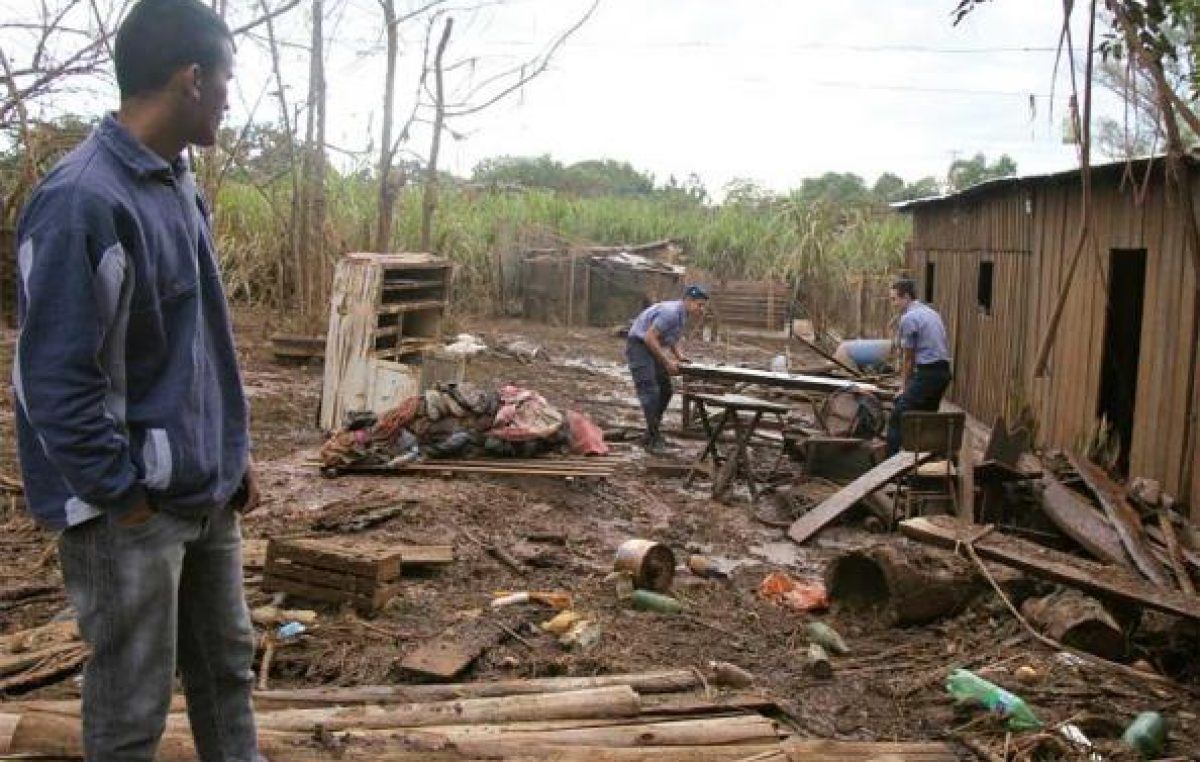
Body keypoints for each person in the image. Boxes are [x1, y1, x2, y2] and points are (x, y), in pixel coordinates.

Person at [12, 1, 263, 759]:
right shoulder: (80, 203)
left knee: (226, 673)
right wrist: (123, 499)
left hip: (203, 496)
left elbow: (194, 341)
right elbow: (53, 383)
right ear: (191, 78)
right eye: (226, 78)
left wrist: (230, 453)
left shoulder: (177, 182)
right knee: (131, 712)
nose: (229, 95)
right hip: (132, 513)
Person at [625, 285, 709, 454]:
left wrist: (679, 356)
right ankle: (654, 439)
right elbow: (650, 337)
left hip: (650, 345)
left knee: (666, 389)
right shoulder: (670, 313)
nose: (701, 309)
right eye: (699, 305)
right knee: (650, 392)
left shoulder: (683, 315)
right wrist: (666, 362)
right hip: (639, 346)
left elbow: (672, 337)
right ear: (688, 300)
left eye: (702, 306)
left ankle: (650, 433)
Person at [886, 278, 952, 455]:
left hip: (928, 373)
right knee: (925, 419)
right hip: (943, 373)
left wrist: (904, 387)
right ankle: (923, 463)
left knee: (897, 417)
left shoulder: (909, 318)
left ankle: (886, 469)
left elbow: (909, 359)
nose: (893, 304)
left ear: (906, 297)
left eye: (894, 299)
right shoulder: (931, 312)